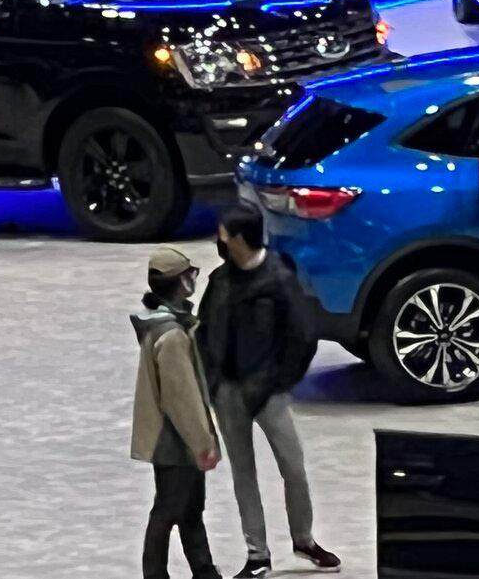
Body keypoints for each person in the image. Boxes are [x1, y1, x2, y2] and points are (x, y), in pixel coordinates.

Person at [199, 206, 339, 578]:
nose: (220, 241)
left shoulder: (278, 279)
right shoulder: (220, 280)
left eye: (224, 234)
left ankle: (304, 538)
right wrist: (212, 382)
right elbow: (204, 332)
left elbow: (303, 336)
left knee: (293, 467)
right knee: (243, 472)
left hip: (268, 392)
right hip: (228, 392)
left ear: (240, 239)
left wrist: (278, 382)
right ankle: (257, 554)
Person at [131, 246, 223, 579]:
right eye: (190, 275)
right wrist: (203, 442)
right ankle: (155, 573)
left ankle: (205, 570)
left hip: (173, 435)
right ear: (180, 283)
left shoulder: (167, 326)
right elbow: (181, 397)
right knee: (169, 509)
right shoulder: (171, 336)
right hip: (174, 439)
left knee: (189, 509)